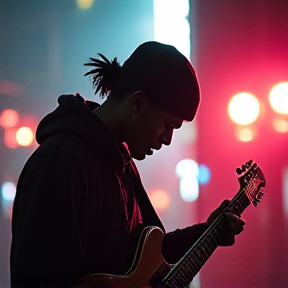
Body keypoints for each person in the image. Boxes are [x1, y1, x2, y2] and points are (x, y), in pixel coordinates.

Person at [10, 41, 245, 288]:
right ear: (138, 103)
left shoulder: (121, 162)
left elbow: (140, 261)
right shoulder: (59, 165)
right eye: (168, 125)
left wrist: (207, 233)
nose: (167, 139)